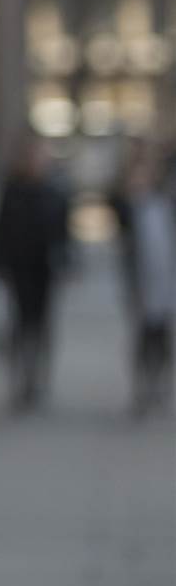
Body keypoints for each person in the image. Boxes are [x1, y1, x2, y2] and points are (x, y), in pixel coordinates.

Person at [0, 136, 70, 410]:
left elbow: (62, 233)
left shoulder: (53, 192)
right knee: (20, 324)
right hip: (18, 268)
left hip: (44, 269)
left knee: (41, 325)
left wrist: (66, 261)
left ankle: (37, 380)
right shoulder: (13, 191)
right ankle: (21, 380)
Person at [111, 140, 175, 417]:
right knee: (141, 335)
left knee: (161, 335)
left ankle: (158, 383)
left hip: (166, 279)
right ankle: (142, 387)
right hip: (140, 279)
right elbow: (114, 202)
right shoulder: (131, 206)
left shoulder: (166, 203)